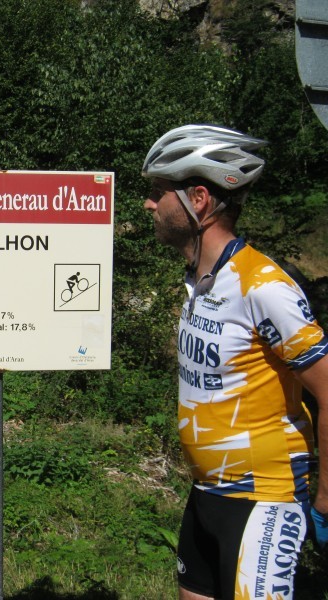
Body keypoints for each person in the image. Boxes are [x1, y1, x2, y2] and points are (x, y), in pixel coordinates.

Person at [141, 125, 328, 600]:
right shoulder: (200, 282)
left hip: (264, 498)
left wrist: (327, 498)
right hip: (206, 493)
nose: (148, 205)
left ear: (198, 199)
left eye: (158, 193)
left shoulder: (263, 286)